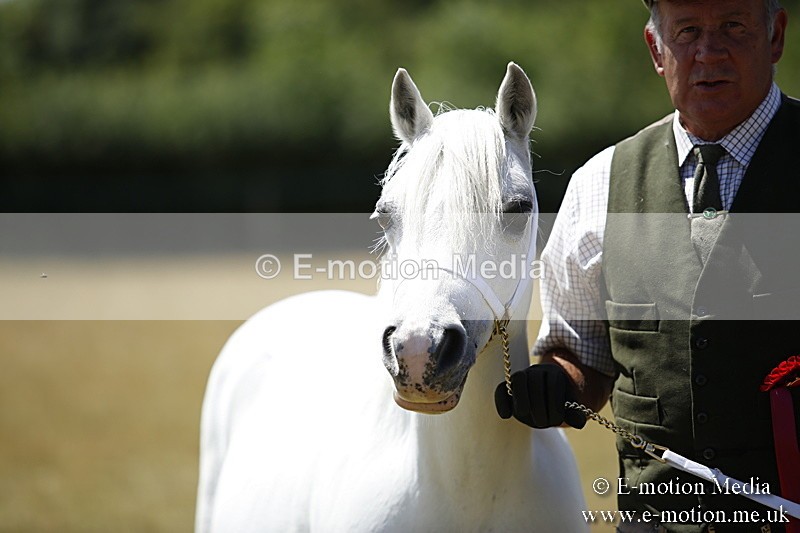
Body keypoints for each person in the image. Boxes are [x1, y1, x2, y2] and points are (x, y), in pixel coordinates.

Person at [495, 1, 798, 532]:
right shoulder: (597, 186)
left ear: (775, 36)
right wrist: (556, 383)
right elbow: (581, 357)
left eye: (733, 26)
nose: (709, 52)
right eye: (687, 31)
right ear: (658, 50)